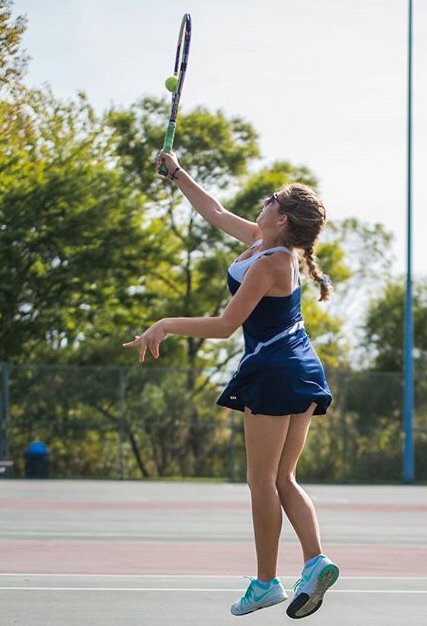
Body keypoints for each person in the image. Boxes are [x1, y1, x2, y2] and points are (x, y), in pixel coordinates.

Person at [123, 150, 339, 620]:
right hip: (302, 368)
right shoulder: (266, 243)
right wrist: (177, 173)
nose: (264, 202)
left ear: (282, 219)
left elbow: (225, 326)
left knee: (261, 479)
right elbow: (216, 212)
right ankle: (316, 560)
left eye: (271, 199)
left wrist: (164, 324)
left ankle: (265, 583)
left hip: (275, 369)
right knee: (284, 478)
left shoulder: (271, 263)